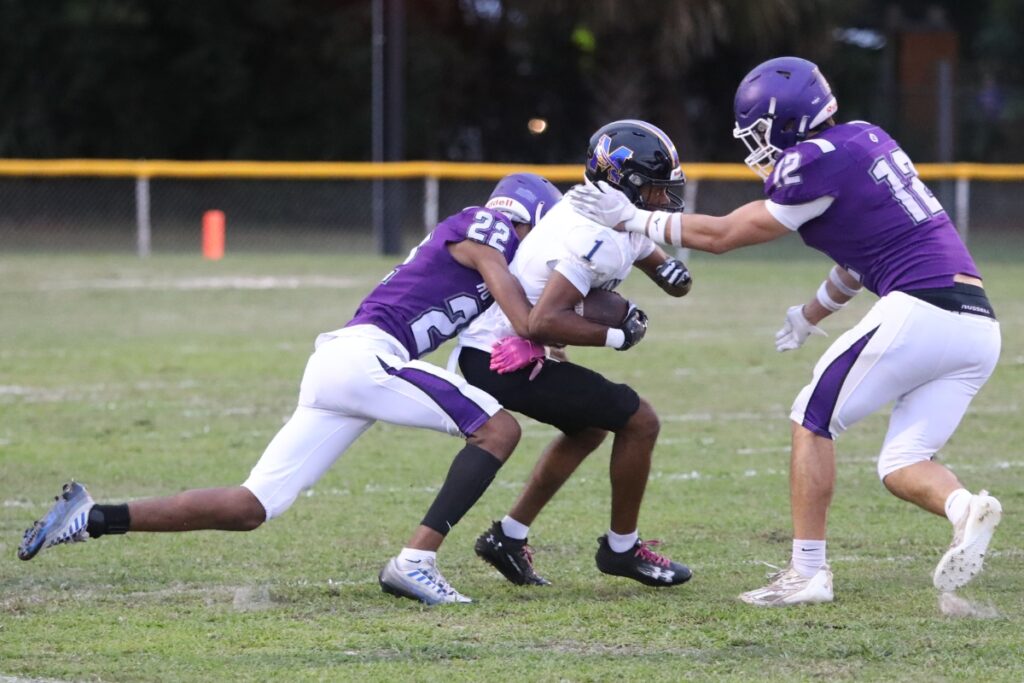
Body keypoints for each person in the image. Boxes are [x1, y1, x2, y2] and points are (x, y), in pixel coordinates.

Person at [566, 57, 1003, 606]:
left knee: (811, 418)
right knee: (902, 461)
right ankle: (966, 508)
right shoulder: (867, 139)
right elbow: (857, 260)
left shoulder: (809, 162)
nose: (754, 144)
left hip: (924, 308)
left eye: (755, 131)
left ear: (782, 121)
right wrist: (809, 315)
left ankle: (807, 573)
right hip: (979, 326)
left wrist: (631, 217)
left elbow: (726, 234)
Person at [18, 173, 563, 607]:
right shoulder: (487, 226)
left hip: (342, 364)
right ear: (531, 216)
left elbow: (505, 321)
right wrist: (555, 326)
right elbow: (521, 309)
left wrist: (549, 341)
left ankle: (93, 517)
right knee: (497, 429)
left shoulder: (489, 257)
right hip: (366, 358)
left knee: (251, 506)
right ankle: (415, 563)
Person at [455, 119, 695, 589]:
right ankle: (621, 549)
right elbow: (543, 320)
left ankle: (508, 536)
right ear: (620, 184)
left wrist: (664, 278)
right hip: (500, 356)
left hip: (509, 349)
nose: (661, 199)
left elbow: (662, 267)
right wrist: (617, 335)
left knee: (587, 429)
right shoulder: (593, 236)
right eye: (653, 189)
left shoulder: (614, 218)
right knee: (639, 420)